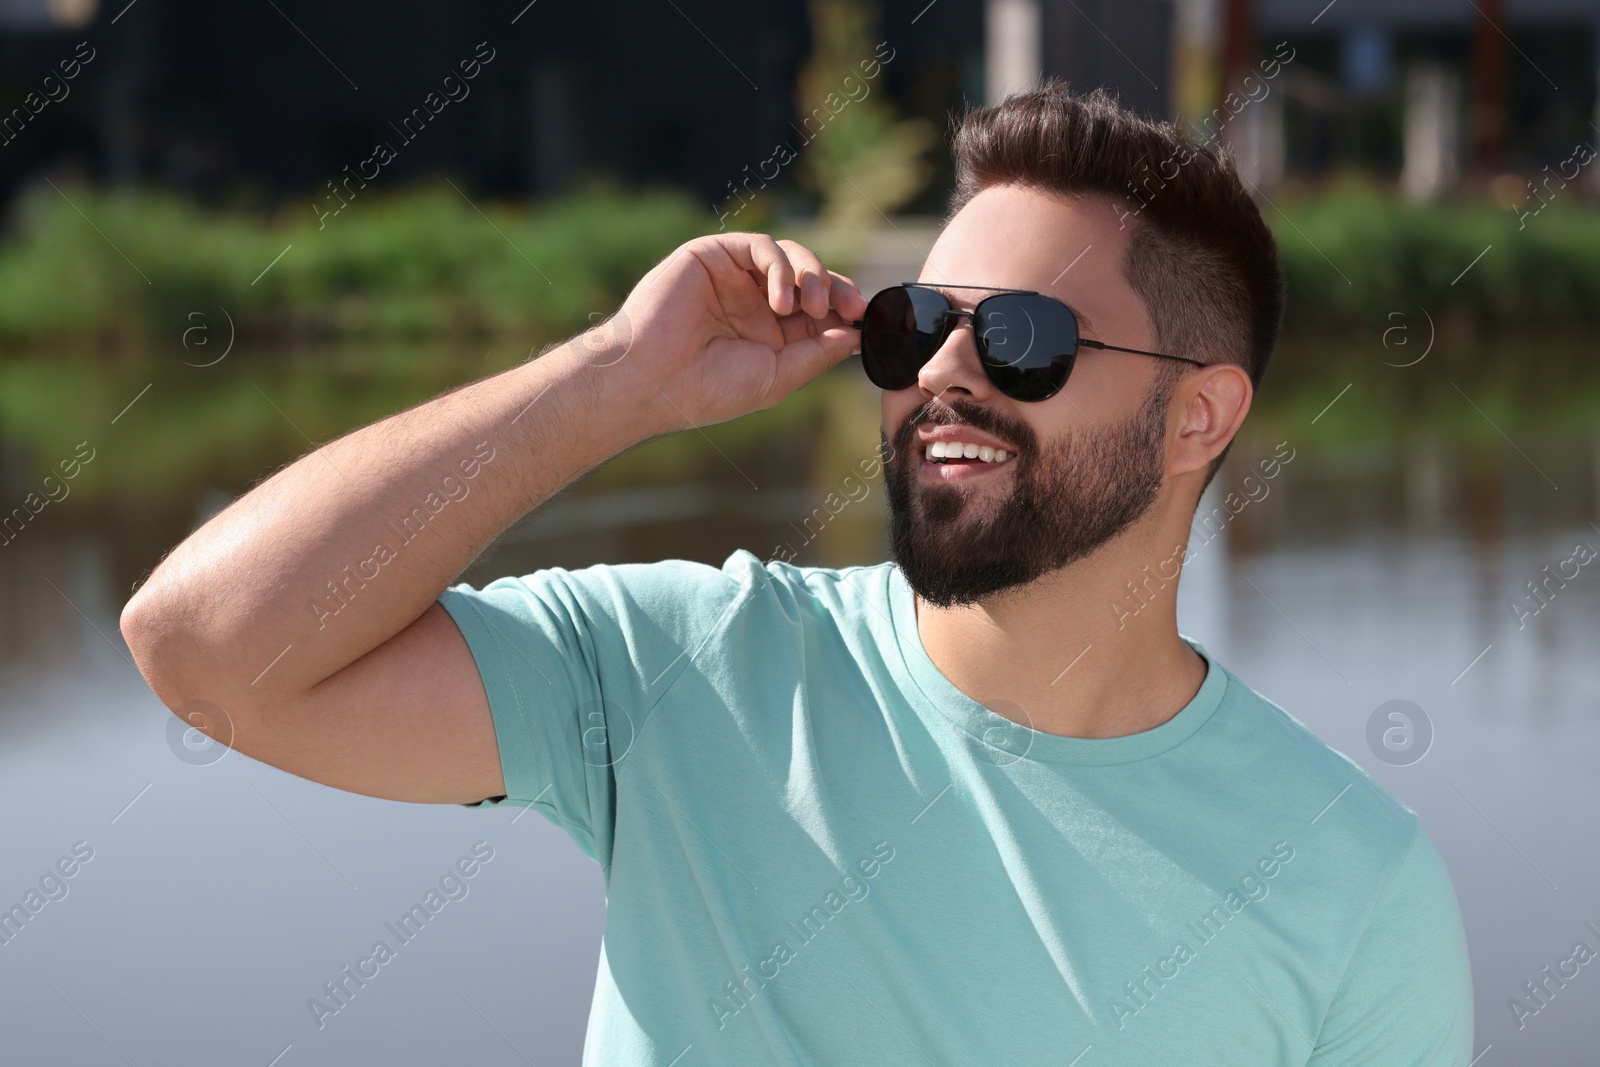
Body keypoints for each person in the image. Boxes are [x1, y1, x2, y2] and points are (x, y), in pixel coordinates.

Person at [121, 82, 1473, 1064]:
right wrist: (616, 381)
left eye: (1022, 336)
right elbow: (207, 651)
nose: (943, 371)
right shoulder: (690, 671)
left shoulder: (1348, 886)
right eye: (914, 324)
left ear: (1199, 417)